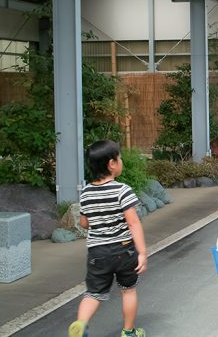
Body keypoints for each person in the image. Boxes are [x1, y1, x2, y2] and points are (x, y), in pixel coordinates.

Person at [68, 140, 147, 337]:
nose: (121, 161)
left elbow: (84, 223)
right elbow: (133, 223)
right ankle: (128, 332)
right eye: (119, 158)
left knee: (93, 293)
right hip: (123, 249)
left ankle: (81, 324)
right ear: (112, 164)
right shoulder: (122, 190)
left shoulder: (86, 192)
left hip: (97, 252)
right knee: (128, 290)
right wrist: (143, 253)